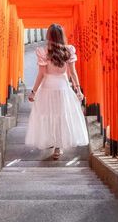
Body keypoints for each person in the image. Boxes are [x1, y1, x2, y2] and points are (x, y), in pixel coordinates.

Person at [25, 23, 89, 160]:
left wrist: (33, 92)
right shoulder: (68, 50)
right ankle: (58, 148)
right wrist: (78, 89)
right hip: (63, 88)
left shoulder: (43, 52)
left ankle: (51, 141)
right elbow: (73, 72)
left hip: (47, 87)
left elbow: (41, 74)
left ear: (48, 36)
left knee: (48, 115)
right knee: (61, 116)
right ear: (62, 36)